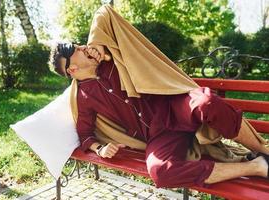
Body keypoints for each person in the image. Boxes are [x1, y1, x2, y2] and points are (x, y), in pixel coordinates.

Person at [50, 42, 269, 188]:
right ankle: (258, 167)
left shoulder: (112, 59)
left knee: (206, 102)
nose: (80, 46)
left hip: (172, 105)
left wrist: (101, 45)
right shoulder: (83, 97)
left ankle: (264, 150)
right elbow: (85, 133)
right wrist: (100, 148)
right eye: (73, 50)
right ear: (72, 70)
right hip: (157, 133)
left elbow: (106, 15)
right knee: (160, 172)